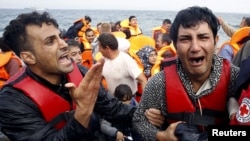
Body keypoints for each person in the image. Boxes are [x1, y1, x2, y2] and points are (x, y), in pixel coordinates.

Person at [0, 11, 139, 141]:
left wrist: (150, 114)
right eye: (50, 41)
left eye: (60, 37)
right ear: (28, 57)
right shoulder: (11, 101)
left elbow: (114, 109)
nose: (64, 44)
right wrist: (83, 111)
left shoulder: (81, 73)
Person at [132, 6, 240, 141]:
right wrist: (161, 135)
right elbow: (139, 120)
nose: (195, 47)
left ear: (216, 41)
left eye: (203, 37)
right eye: (185, 39)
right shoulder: (160, 82)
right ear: (175, 46)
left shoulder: (236, 79)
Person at [97, 32, 147, 97]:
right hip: (112, 101)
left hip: (128, 101)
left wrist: (144, 103)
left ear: (107, 48)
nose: (98, 50)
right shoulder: (103, 60)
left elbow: (143, 80)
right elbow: (98, 79)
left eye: (100, 47)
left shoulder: (126, 60)